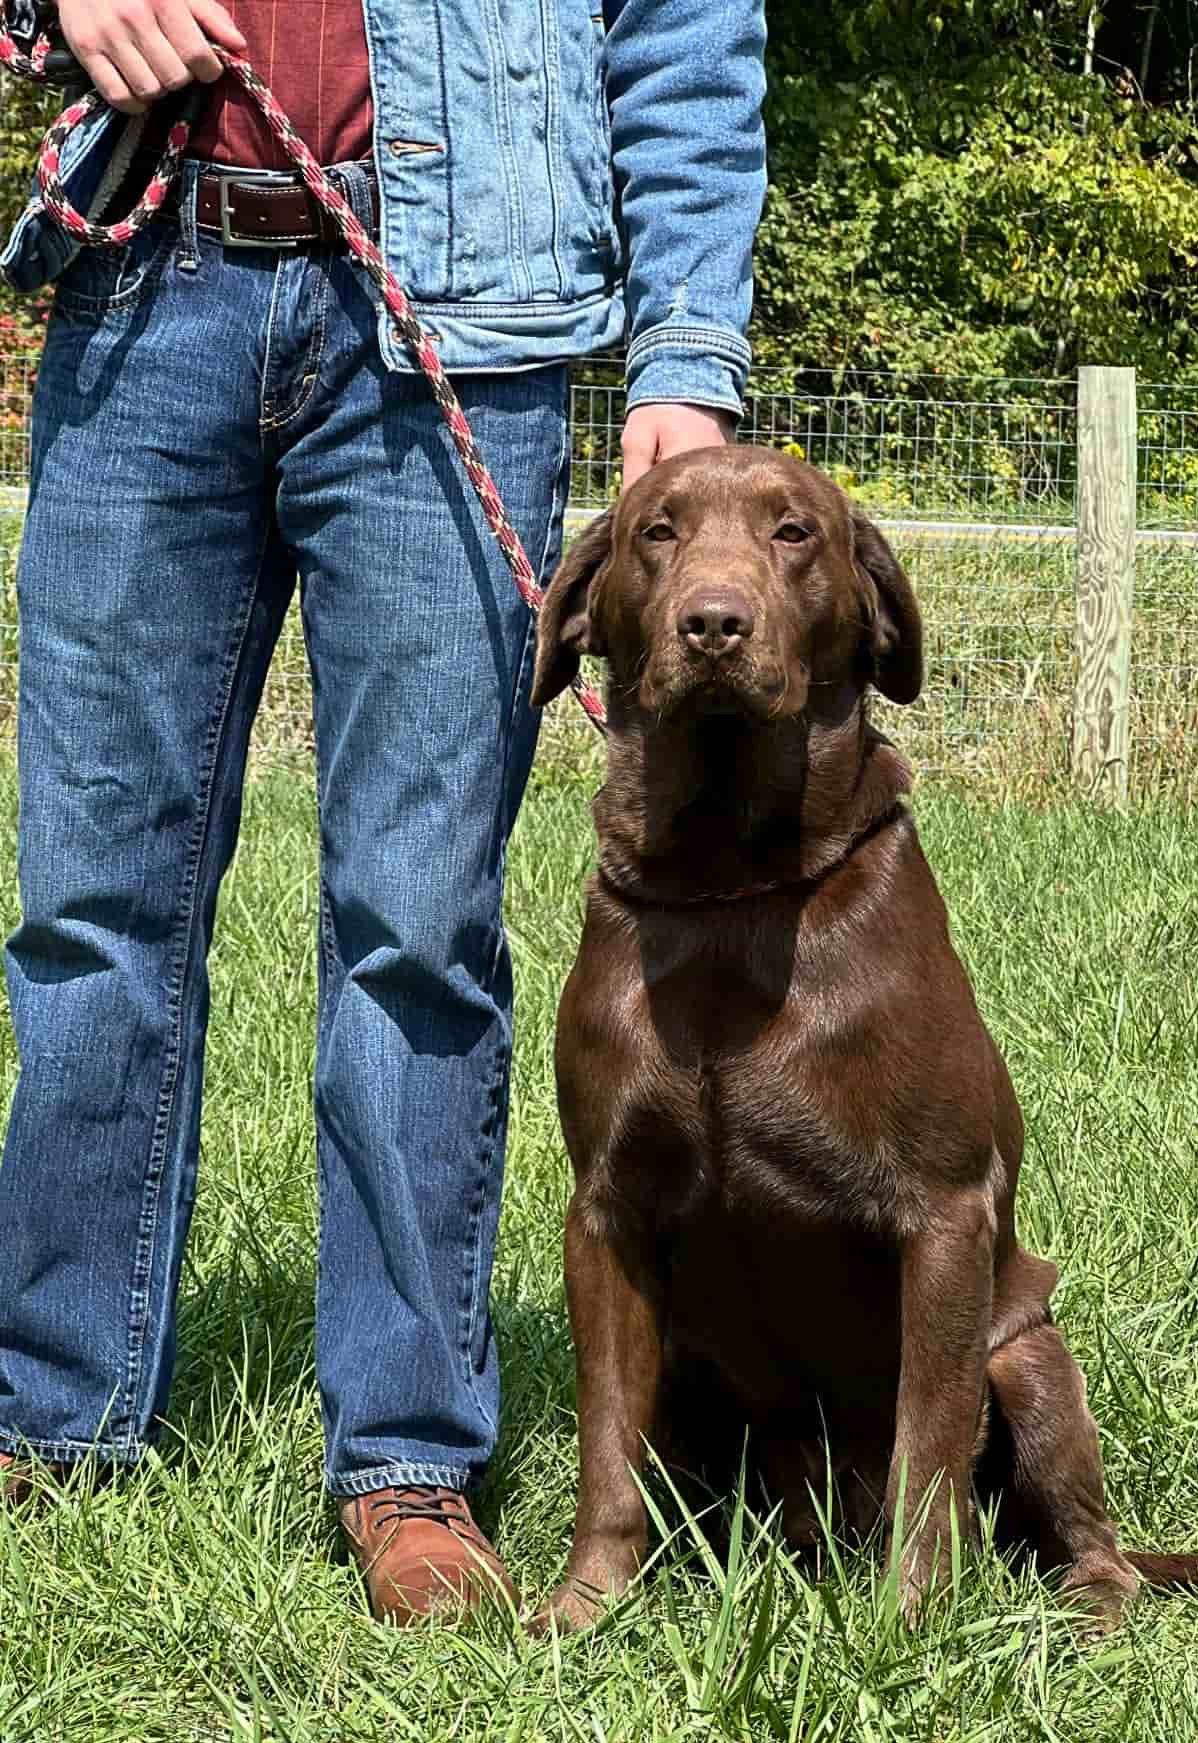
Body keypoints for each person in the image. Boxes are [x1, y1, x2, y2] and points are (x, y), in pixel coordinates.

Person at [0, 0, 766, 1623]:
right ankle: (52, 1413)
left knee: (416, 933)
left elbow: (690, 32)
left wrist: (687, 360)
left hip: (458, 333)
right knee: (89, 910)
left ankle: (407, 1457)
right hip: (146, 285)